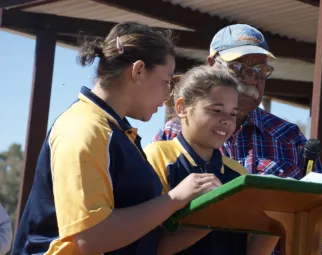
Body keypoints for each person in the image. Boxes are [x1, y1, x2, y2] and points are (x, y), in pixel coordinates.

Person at [12, 21, 221, 255]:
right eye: (167, 81)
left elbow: (144, 240)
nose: (167, 96)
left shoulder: (116, 132)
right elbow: (90, 237)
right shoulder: (84, 128)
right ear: (138, 70)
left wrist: (213, 214)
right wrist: (174, 198)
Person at [153, 24, 322, 253]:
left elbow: (321, 229)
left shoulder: (290, 138)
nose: (249, 77)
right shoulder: (169, 139)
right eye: (237, 66)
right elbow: (148, 234)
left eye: (260, 69)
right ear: (211, 66)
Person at [145, 65, 279, 255]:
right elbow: (147, 246)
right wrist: (214, 216)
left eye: (233, 114)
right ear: (182, 108)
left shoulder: (238, 174)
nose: (227, 120)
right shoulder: (157, 157)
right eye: (216, 110)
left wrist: (275, 223)